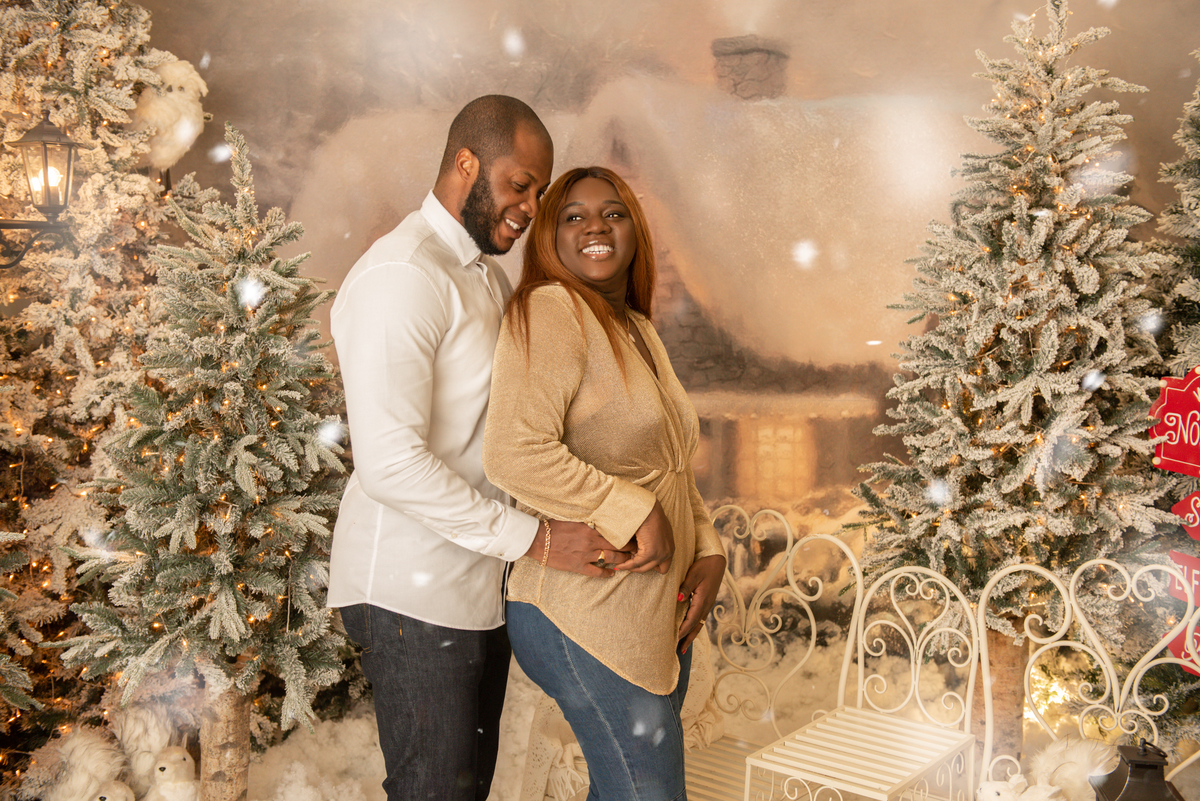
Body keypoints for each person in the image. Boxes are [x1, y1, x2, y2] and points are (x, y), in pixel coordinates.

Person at [327, 98, 644, 801]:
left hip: (476, 587)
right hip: (410, 596)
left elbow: (499, 432)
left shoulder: (482, 274)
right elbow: (389, 463)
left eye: (539, 191)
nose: (530, 209)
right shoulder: (402, 274)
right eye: (519, 185)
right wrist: (535, 538)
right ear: (466, 164)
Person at [482, 166, 728, 801]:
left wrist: (709, 550)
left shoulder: (637, 328)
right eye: (573, 216)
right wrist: (630, 509)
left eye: (613, 213)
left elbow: (671, 465)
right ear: (550, 238)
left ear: (635, 231)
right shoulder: (550, 308)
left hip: (656, 608)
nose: (596, 226)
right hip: (586, 608)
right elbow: (513, 452)